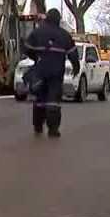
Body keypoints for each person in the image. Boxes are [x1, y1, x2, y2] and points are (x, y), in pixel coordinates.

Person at [24, 9, 79, 137]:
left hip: (41, 70)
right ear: (58, 20)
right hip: (56, 71)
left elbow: (27, 49)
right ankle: (53, 129)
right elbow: (73, 54)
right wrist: (75, 67)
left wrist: (36, 57)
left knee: (40, 98)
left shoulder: (37, 33)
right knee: (53, 100)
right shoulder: (64, 35)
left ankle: (38, 126)